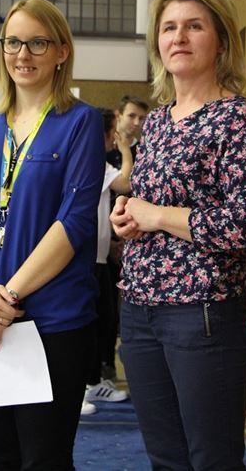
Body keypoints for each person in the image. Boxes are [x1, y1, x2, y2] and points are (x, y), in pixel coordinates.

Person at [110, 0, 246, 470]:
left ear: (220, 41)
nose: (178, 37)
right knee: (166, 458)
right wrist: (129, 217)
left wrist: (159, 216)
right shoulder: (158, 121)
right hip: (139, 308)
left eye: (193, 26)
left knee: (212, 461)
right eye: (168, 28)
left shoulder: (237, 120)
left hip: (201, 313)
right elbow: (151, 204)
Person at [0, 0, 104, 469]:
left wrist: (8, 296)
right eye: (13, 42)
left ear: (61, 51)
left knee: (44, 460)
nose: (23, 54)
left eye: (37, 43)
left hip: (50, 320)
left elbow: (74, 222)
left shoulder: (80, 122)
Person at [82, 108, 131, 415]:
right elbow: (126, 182)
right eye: (113, 132)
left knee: (100, 323)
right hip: (86, 257)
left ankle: (93, 381)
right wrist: (126, 150)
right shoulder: (92, 162)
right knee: (85, 325)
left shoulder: (98, 163)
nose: (115, 137)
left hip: (99, 257)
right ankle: (78, 388)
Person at [102, 94, 148, 382]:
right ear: (118, 116)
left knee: (119, 310)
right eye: (131, 116)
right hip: (103, 241)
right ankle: (103, 366)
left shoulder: (145, 151)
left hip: (135, 240)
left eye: (141, 118)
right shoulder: (102, 150)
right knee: (103, 309)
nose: (136, 123)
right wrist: (110, 241)